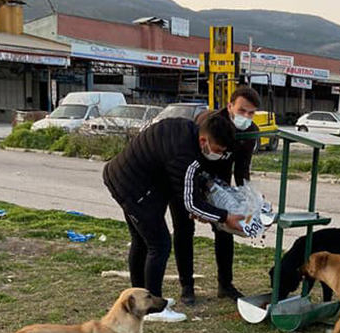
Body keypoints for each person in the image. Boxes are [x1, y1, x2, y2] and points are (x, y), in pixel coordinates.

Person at [103, 113, 244, 322]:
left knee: (141, 242)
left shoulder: (185, 130)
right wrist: (225, 217)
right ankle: (153, 310)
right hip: (134, 188)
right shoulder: (187, 157)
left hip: (123, 176)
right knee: (158, 245)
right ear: (204, 140)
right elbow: (191, 204)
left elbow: (188, 192)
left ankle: (140, 299)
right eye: (218, 150)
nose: (219, 155)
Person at [169, 86, 262, 305]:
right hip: (189, 178)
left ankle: (225, 284)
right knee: (184, 229)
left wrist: (246, 199)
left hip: (220, 186)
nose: (246, 117)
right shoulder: (207, 120)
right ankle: (187, 287)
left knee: (225, 229)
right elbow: (192, 156)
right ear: (230, 106)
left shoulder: (249, 133)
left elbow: (242, 169)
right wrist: (198, 197)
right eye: (242, 111)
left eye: (251, 113)